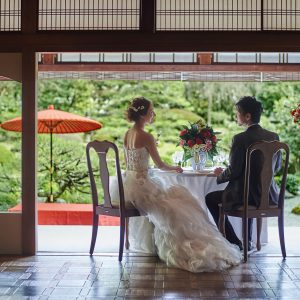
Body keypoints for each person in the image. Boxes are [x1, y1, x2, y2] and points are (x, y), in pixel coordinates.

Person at [111, 96, 242, 273]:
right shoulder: (147, 136)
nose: (153, 114)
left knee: (175, 201)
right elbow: (160, 165)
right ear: (143, 115)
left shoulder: (128, 134)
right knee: (180, 205)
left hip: (127, 185)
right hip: (143, 187)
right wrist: (176, 168)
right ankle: (190, 248)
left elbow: (129, 163)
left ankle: (143, 245)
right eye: (151, 112)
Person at [205, 96, 282, 251]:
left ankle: (235, 242)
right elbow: (277, 167)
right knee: (249, 191)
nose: (236, 116)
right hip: (268, 196)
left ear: (247, 116)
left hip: (246, 196)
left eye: (237, 113)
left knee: (210, 198)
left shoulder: (240, 139)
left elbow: (234, 171)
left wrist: (220, 175)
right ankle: (246, 241)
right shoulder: (274, 137)